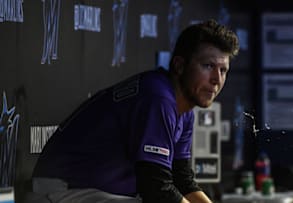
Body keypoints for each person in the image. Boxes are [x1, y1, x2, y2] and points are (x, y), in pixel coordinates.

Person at [31, 19, 239, 203]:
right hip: (59, 190)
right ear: (179, 65)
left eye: (223, 70)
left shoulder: (184, 110)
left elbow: (181, 179)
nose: (217, 80)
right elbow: (157, 189)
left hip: (92, 192)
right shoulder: (158, 97)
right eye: (208, 66)